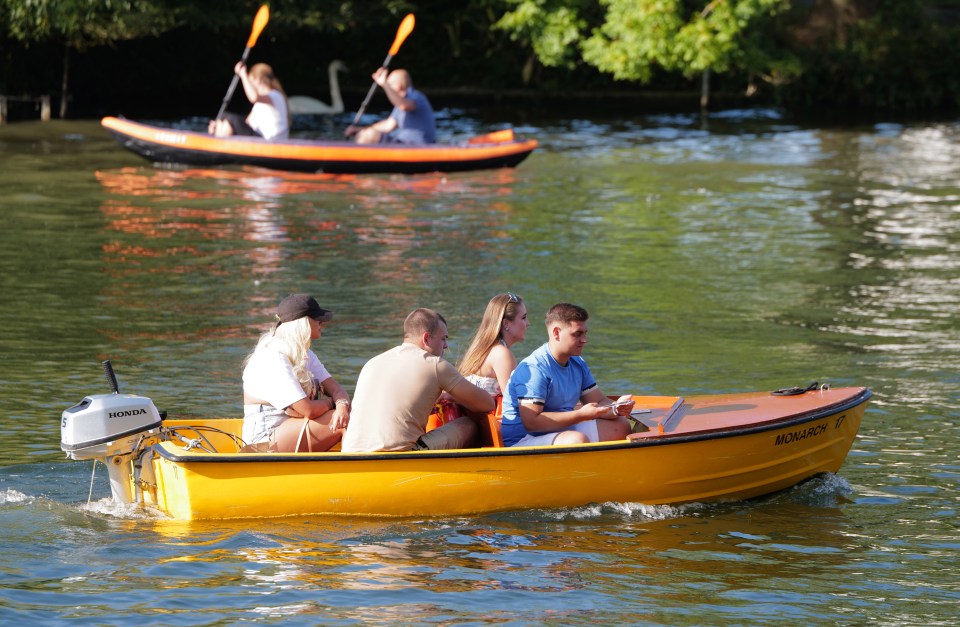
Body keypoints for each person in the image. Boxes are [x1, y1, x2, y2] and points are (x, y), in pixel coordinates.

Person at [341, 308, 495, 452]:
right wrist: (452, 396)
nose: (446, 346)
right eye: (443, 339)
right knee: (471, 424)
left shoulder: (372, 362)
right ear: (426, 338)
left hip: (350, 453)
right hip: (401, 457)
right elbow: (487, 403)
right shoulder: (435, 365)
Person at [500, 303, 634, 447]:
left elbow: (599, 400)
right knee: (577, 441)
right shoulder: (534, 369)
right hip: (523, 439)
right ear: (556, 333)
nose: (584, 340)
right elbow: (532, 423)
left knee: (620, 426)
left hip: (559, 431)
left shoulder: (577, 362)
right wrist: (581, 415)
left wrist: (616, 408)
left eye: (585, 333)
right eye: (577, 334)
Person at [241, 294, 350, 452]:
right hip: (262, 442)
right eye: (317, 318)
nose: (322, 323)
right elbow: (309, 410)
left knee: (346, 414)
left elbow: (336, 389)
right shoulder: (273, 356)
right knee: (345, 422)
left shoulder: (305, 353)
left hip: (288, 429)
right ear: (303, 323)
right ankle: (354, 472)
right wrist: (332, 403)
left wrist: (342, 406)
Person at [457, 292, 530, 397]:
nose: (528, 323)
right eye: (523, 318)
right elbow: (513, 404)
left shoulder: (484, 349)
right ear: (506, 323)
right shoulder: (502, 354)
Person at [344, 68, 435, 145]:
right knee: (364, 134)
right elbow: (387, 126)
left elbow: (404, 105)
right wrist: (359, 129)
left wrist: (384, 84)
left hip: (418, 145)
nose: (388, 88)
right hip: (402, 143)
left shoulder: (416, 96)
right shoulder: (399, 104)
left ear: (399, 86)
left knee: (370, 135)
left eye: (390, 84)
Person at [209, 62, 290, 140]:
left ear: (258, 80)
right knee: (224, 117)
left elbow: (253, 98)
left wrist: (243, 74)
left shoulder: (276, 96)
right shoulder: (260, 104)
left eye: (250, 81)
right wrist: (217, 127)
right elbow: (246, 124)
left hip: (270, 141)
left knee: (231, 118)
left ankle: (219, 144)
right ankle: (216, 137)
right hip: (260, 139)